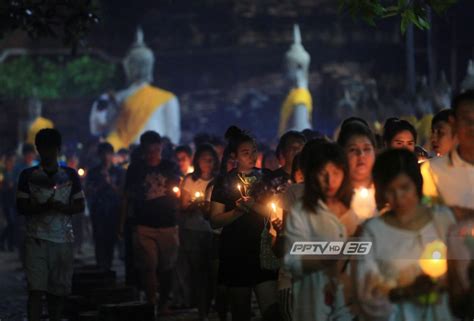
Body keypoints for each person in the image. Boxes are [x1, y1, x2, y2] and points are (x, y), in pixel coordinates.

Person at [355, 148, 455, 321]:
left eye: (404, 187)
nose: (398, 197)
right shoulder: (374, 232)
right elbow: (367, 294)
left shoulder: (442, 219)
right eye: (390, 191)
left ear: (416, 184)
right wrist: (406, 291)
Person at [210, 126, 279, 321]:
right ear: (234, 156)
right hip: (235, 252)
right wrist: (237, 211)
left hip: (263, 250)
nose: (252, 156)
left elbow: (276, 213)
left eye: (254, 151)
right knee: (240, 311)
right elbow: (214, 221)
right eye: (245, 152)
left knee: (272, 310)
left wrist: (253, 205)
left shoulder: (267, 177)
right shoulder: (224, 181)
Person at [16, 128, 85, 321]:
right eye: (43, 149)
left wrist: (63, 208)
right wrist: (43, 207)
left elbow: (80, 204)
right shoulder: (28, 175)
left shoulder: (70, 175)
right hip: (36, 239)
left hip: (62, 240)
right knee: (35, 290)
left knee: (57, 292)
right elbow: (21, 207)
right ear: (38, 149)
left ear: (57, 149)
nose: (47, 153)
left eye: (50, 149)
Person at [284, 141, 356, 321]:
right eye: (323, 173)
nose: (330, 181)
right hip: (315, 305)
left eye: (336, 173)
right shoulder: (302, 212)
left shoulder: (358, 208)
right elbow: (293, 259)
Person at [118, 131, 181, 315]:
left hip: (167, 223)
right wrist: (121, 223)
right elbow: (126, 197)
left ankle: (163, 303)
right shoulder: (136, 169)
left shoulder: (170, 167)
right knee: (148, 265)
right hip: (144, 224)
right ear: (143, 150)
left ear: (160, 147)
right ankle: (151, 301)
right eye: (149, 150)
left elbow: (178, 189)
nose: (153, 153)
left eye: (156, 148)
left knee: (167, 267)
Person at [90, 28, 181, 149]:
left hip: (155, 157)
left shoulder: (166, 99)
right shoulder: (115, 98)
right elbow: (98, 127)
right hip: (123, 155)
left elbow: (97, 126)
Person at [179, 143, 219, 321]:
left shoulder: (218, 181)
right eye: (204, 160)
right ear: (197, 161)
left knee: (213, 272)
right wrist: (194, 205)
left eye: (210, 160)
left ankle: (212, 305)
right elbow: (183, 206)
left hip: (213, 231)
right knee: (198, 271)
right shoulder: (190, 180)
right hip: (193, 230)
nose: (207, 164)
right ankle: (202, 309)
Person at [421, 90, 474, 219]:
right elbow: (425, 212)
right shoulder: (432, 171)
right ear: (454, 123)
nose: (472, 127)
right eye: (466, 119)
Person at [85, 142, 124, 270]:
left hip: (114, 211)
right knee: (99, 241)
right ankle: (102, 269)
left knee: (111, 241)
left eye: (108, 154)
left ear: (112, 155)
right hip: (98, 211)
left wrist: (110, 183)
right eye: (103, 154)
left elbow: (122, 192)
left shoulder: (119, 171)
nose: (106, 157)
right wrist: (101, 185)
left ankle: (108, 267)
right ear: (99, 155)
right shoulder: (93, 172)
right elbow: (88, 191)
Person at [337, 118, 377, 221]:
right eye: (353, 149)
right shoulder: (333, 196)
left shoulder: (387, 193)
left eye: (367, 149)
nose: (361, 155)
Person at [0, 152, 17, 251]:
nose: (10, 164)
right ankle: (3, 241)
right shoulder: (3, 174)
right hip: (6, 202)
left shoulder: (14, 173)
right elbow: (1, 187)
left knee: (13, 224)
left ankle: (10, 245)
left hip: (13, 201)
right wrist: (7, 186)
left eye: (12, 162)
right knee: (11, 223)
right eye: (9, 162)